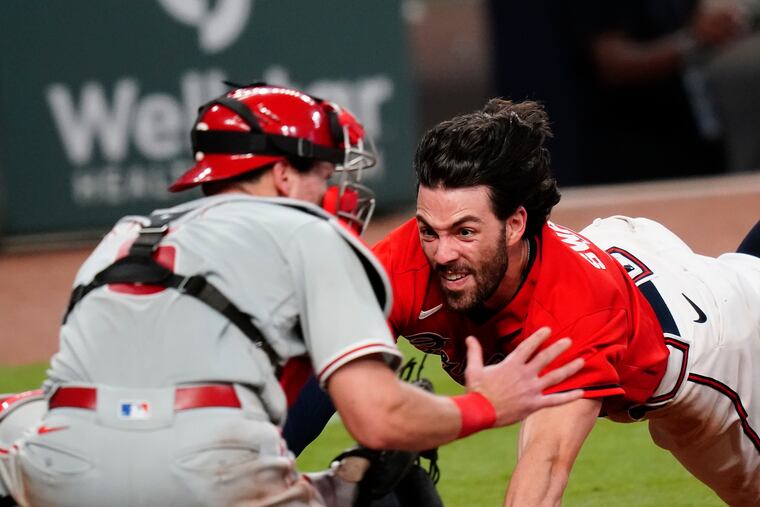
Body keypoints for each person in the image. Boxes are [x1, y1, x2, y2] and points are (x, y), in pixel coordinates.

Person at [0, 84, 585, 507]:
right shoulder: (315, 236)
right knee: (386, 472)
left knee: (15, 414)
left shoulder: (124, 236)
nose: (334, 187)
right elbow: (378, 417)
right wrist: (485, 406)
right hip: (208, 478)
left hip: (57, 469)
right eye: (324, 171)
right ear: (283, 178)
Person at [283, 96, 760, 505]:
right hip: (620, 251)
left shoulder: (575, 314)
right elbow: (324, 364)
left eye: (465, 232)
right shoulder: (408, 259)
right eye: (430, 229)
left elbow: (545, 464)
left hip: (709, 344)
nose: (442, 252)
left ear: (514, 224)